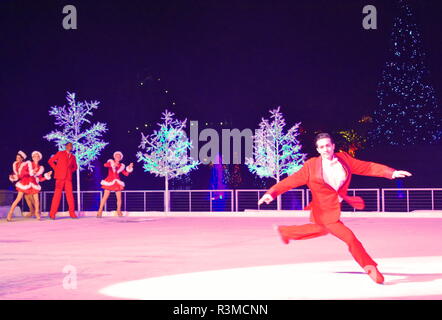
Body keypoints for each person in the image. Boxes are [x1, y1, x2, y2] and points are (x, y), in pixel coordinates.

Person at [258, 133, 412, 284]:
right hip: (322, 210)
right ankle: (369, 267)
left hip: (334, 207)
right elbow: (291, 181)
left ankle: (285, 232)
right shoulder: (311, 166)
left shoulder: (344, 159)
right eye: (321, 147)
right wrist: (271, 193)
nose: (325, 149)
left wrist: (391, 173)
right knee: (349, 238)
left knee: (320, 229)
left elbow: (367, 167)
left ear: (333, 146)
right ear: (317, 149)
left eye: (327, 146)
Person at [6, 151, 52, 221]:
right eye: (35, 156)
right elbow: (22, 173)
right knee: (18, 199)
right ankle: (10, 213)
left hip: (34, 184)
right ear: (32, 157)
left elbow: (40, 179)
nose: (36, 157)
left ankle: (37, 213)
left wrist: (46, 176)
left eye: (37, 156)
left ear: (39, 158)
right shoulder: (28, 163)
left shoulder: (40, 168)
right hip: (25, 182)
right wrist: (30, 172)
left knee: (36, 200)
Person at [97, 151, 134, 218]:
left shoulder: (121, 166)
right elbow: (105, 165)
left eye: (119, 156)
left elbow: (126, 174)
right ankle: (99, 211)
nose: (118, 157)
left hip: (117, 182)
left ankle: (118, 211)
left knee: (119, 198)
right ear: (114, 157)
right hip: (109, 181)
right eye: (116, 156)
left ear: (120, 158)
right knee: (105, 197)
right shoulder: (111, 162)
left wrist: (129, 168)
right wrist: (113, 164)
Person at [48, 142, 78, 220]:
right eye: (69, 145)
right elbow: (50, 161)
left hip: (68, 178)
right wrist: (56, 169)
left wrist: (70, 171)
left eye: (71, 146)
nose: (70, 147)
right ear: (66, 146)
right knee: (57, 195)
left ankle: (72, 213)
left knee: (70, 196)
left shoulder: (73, 157)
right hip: (59, 177)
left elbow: (75, 167)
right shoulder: (60, 153)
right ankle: (52, 214)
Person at [9, 151, 37, 217]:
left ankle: (36, 211)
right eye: (16, 157)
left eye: (19, 158)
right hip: (22, 183)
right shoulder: (15, 165)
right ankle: (32, 211)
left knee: (30, 198)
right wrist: (13, 177)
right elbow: (17, 175)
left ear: (22, 159)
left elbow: (29, 173)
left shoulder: (25, 164)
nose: (17, 159)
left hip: (28, 182)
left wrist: (33, 172)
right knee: (25, 198)